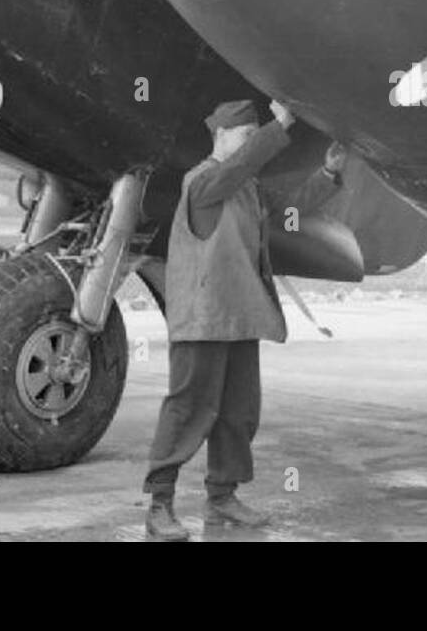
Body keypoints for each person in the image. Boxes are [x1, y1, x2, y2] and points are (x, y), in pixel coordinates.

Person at [144, 98, 346, 541]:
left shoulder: (247, 188)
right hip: (202, 319)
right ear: (220, 138)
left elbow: (292, 205)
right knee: (189, 409)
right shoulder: (201, 182)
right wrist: (280, 126)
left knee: (238, 412)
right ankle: (160, 504)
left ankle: (222, 496)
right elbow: (237, 168)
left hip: (240, 317)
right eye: (245, 137)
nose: (251, 145)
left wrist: (327, 174)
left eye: (255, 137)